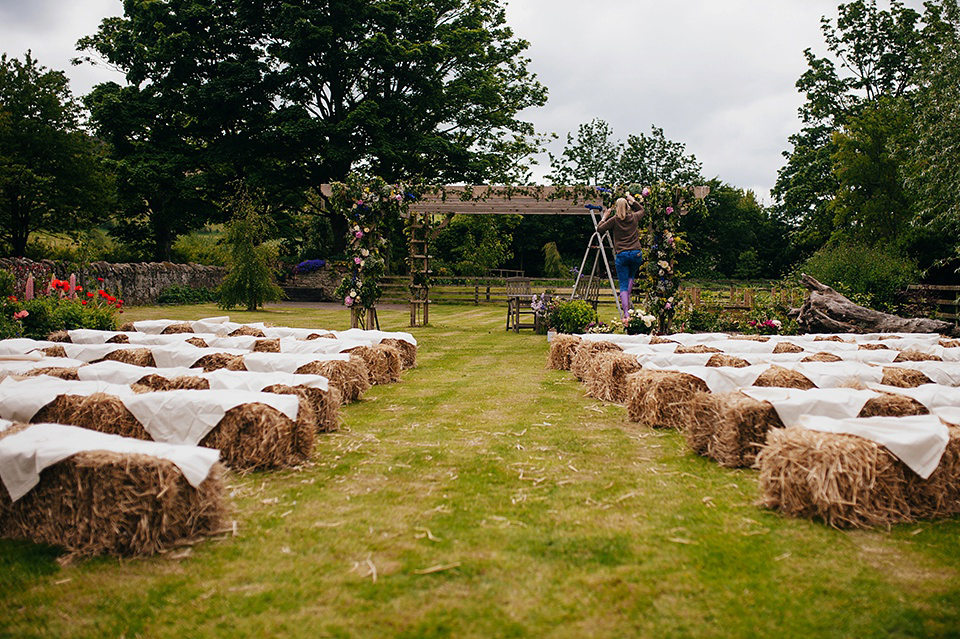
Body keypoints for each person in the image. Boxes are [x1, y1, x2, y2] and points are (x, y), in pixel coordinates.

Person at [597, 193, 644, 322]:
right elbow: (642, 210)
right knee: (631, 277)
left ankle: (626, 314)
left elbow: (599, 229)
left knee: (623, 285)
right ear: (627, 207)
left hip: (622, 254)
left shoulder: (614, 220)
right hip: (636, 253)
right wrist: (633, 201)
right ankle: (627, 305)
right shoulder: (634, 217)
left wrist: (604, 217)